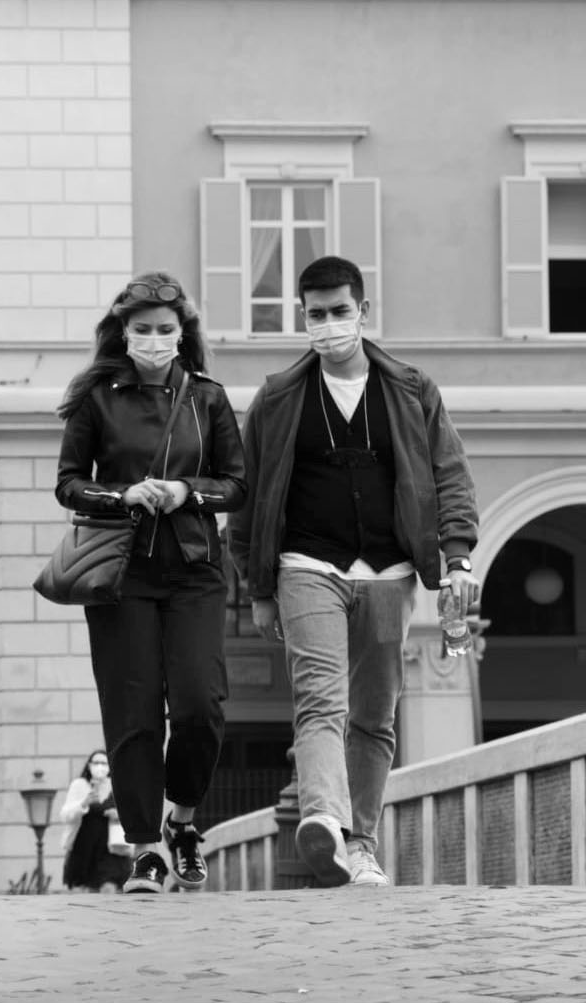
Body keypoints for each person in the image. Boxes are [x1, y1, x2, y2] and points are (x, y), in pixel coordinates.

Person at [228, 255, 481, 889]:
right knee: (321, 703)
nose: (330, 324)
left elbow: (448, 475)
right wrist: (259, 587)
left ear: (363, 312)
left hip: (390, 574)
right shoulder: (279, 397)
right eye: (316, 315)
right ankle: (323, 821)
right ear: (303, 319)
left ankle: (361, 843)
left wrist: (458, 558)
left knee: (374, 717)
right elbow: (250, 497)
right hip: (306, 565)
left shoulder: (411, 389)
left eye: (341, 312)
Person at [54, 271, 247, 894]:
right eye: (143, 330)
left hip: (194, 569)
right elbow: (67, 483)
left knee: (200, 705)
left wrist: (188, 490)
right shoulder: (96, 397)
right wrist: (121, 493)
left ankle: (183, 821)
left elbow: (237, 484)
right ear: (124, 333)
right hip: (121, 572)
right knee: (133, 713)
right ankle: (143, 850)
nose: (155, 340)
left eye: (166, 330)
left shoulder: (208, 398)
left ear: (182, 334)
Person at [59, 749, 131, 893]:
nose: (100, 767)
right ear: (89, 765)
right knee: (82, 891)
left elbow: (132, 813)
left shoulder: (117, 785)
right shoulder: (79, 785)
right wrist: (83, 804)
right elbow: (65, 815)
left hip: (111, 848)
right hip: (84, 847)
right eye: (96, 763)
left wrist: (119, 815)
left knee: (108, 888)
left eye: (104, 763)